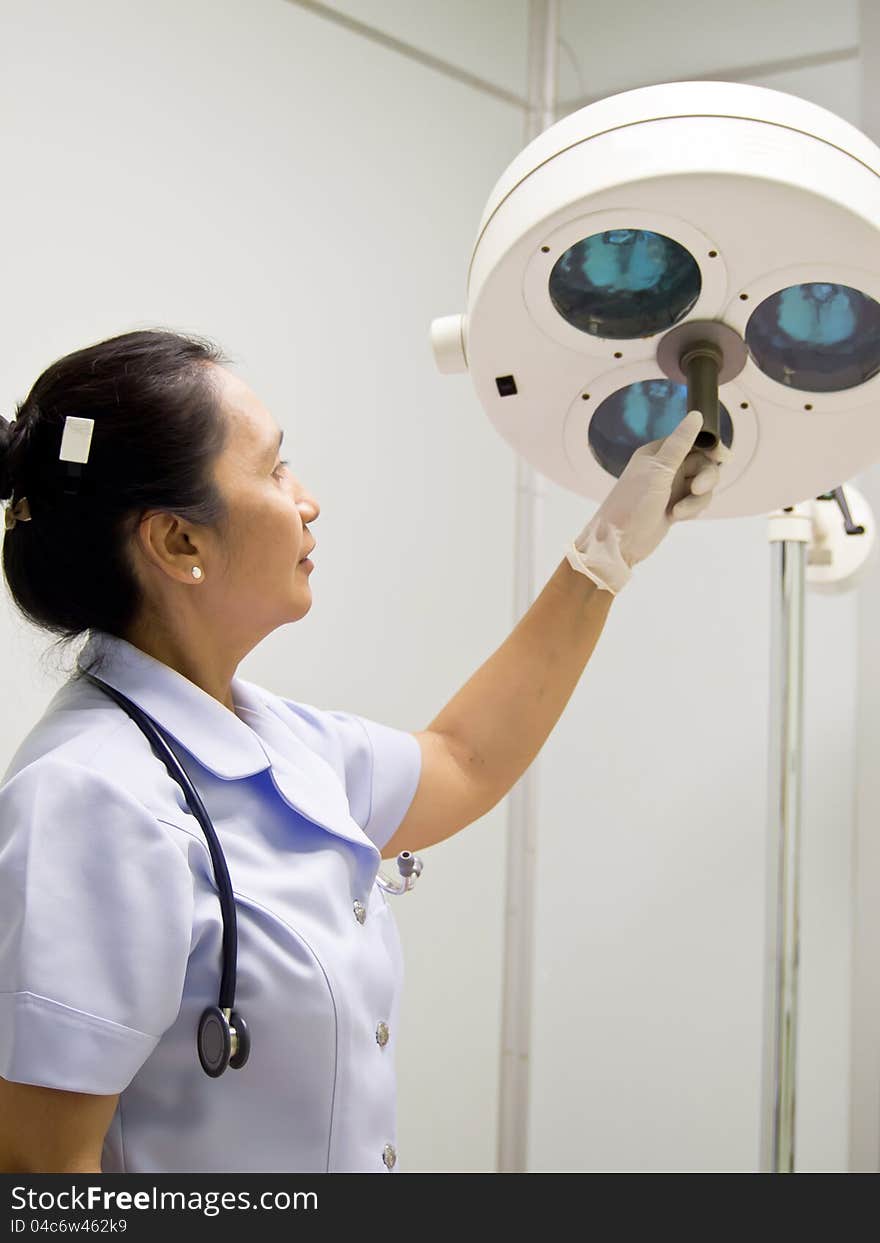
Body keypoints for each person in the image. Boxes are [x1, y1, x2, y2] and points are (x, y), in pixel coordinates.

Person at [0, 329, 722, 1174]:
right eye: (273, 469)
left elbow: (463, 759)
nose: (306, 500)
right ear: (179, 544)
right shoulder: (90, 799)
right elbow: (45, 1176)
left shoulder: (277, 740)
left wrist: (606, 552)